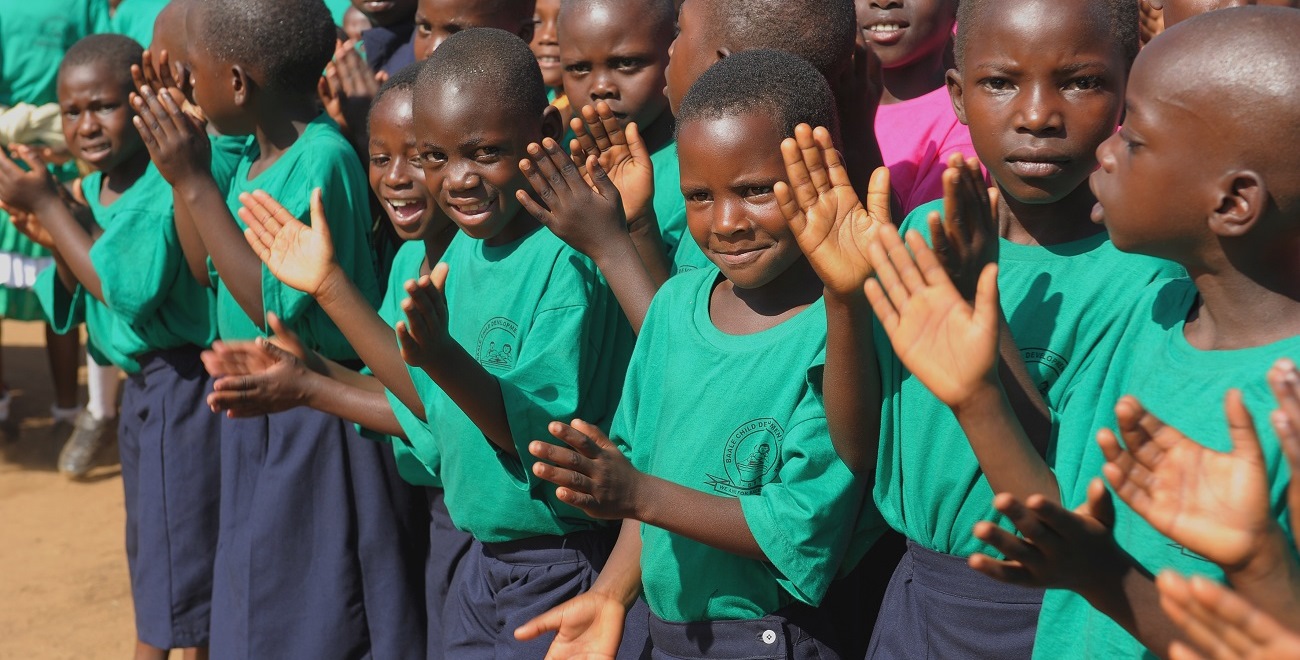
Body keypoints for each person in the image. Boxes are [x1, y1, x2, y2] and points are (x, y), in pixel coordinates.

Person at [864, 7, 1300, 658]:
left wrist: (1264, 569)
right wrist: (976, 392)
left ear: (1233, 202)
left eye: (1133, 140)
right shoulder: (1156, 328)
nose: (1102, 147)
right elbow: (1063, 520)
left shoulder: (1261, 380)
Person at [516, 50, 885, 660]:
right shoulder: (675, 305)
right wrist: (610, 593)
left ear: (822, 170)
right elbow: (651, 476)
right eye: (698, 195)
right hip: (669, 632)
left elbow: (797, 527)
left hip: (772, 636)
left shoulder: (838, 332)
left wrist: (636, 493)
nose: (727, 222)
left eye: (754, 190)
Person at [130, 0, 427, 656]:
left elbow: (272, 301)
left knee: (311, 616)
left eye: (195, 72)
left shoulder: (320, 159)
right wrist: (189, 174)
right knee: (254, 601)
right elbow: (207, 269)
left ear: (237, 83)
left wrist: (195, 180)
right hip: (268, 412)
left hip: (320, 419)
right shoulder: (254, 155)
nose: (188, 85)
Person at [205, 62, 472, 660]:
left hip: (489, 525)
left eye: (423, 156)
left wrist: (314, 375)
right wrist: (308, 373)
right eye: (381, 158)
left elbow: (450, 411)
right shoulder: (407, 262)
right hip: (442, 508)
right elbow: (410, 397)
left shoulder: (480, 273)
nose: (399, 179)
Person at [385, 27, 634, 658]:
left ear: (545, 128)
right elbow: (433, 417)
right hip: (485, 558)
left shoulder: (564, 256)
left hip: (562, 560)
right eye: (435, 158)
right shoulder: (460, 253)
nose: (458, 179)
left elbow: (542, 438)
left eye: (484, 152)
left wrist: (442, 355)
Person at [0, 33, 220, 660]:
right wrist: (53, 230)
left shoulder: (159, 185)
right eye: (72, 112)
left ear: (141, 103)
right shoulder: (92, 188)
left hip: (183, 387)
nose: (87, 125)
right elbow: (79, 290)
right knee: (157, 546)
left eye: (104, 106)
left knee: (179, 552)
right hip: (144, 394)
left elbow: (126, 291)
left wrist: (49, 207)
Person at [0, 0, 107, 450]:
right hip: (5, 165)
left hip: (65, 164)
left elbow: (99, 61)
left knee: (62, 291)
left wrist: (65, 142)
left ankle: (68, 410)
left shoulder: (85, 3)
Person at [856, 0, 977, 214]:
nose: (883, 2)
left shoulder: (965, 123)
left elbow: (920, 241)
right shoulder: (817, 90)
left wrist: (854, 133)